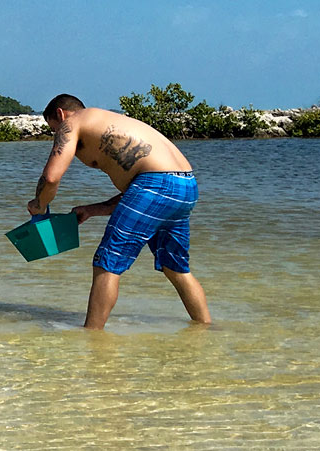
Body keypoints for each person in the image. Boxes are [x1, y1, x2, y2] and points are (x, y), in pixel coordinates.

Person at [31, 94, 211, 330]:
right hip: (186, 185)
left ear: (60, 114)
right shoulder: (109, 120)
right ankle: (206, 329)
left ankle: (92, 336)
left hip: (154, 185)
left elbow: (51, 178)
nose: (56, 134)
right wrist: (93, 210)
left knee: (106, 262)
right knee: (175, 267)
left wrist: (39, 205)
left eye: (53, 129)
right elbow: (149, 187)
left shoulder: (72, 123)